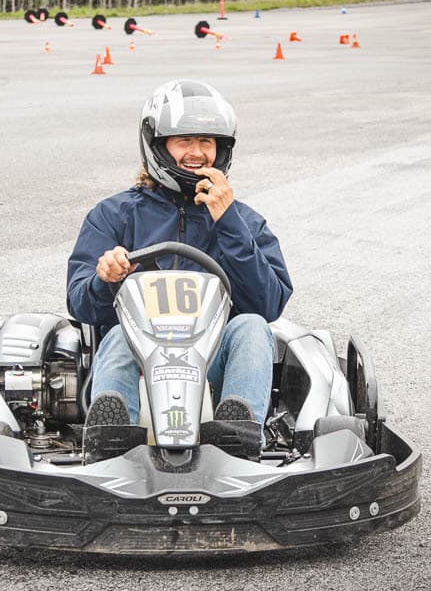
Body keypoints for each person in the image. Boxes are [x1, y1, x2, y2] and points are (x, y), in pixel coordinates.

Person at [66, 80, 293, 450]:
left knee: (252, 327)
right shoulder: (114, 215)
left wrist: (228, 223)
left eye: (206, 142)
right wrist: (104, 279)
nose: (197, 153)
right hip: (136, 357)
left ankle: (238, 437)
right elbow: (79, 304)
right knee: (119, 332)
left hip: (211, 361)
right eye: (184, 141)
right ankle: (110, 440)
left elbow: (268, 305)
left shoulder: (244, 222)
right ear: (158, 145)